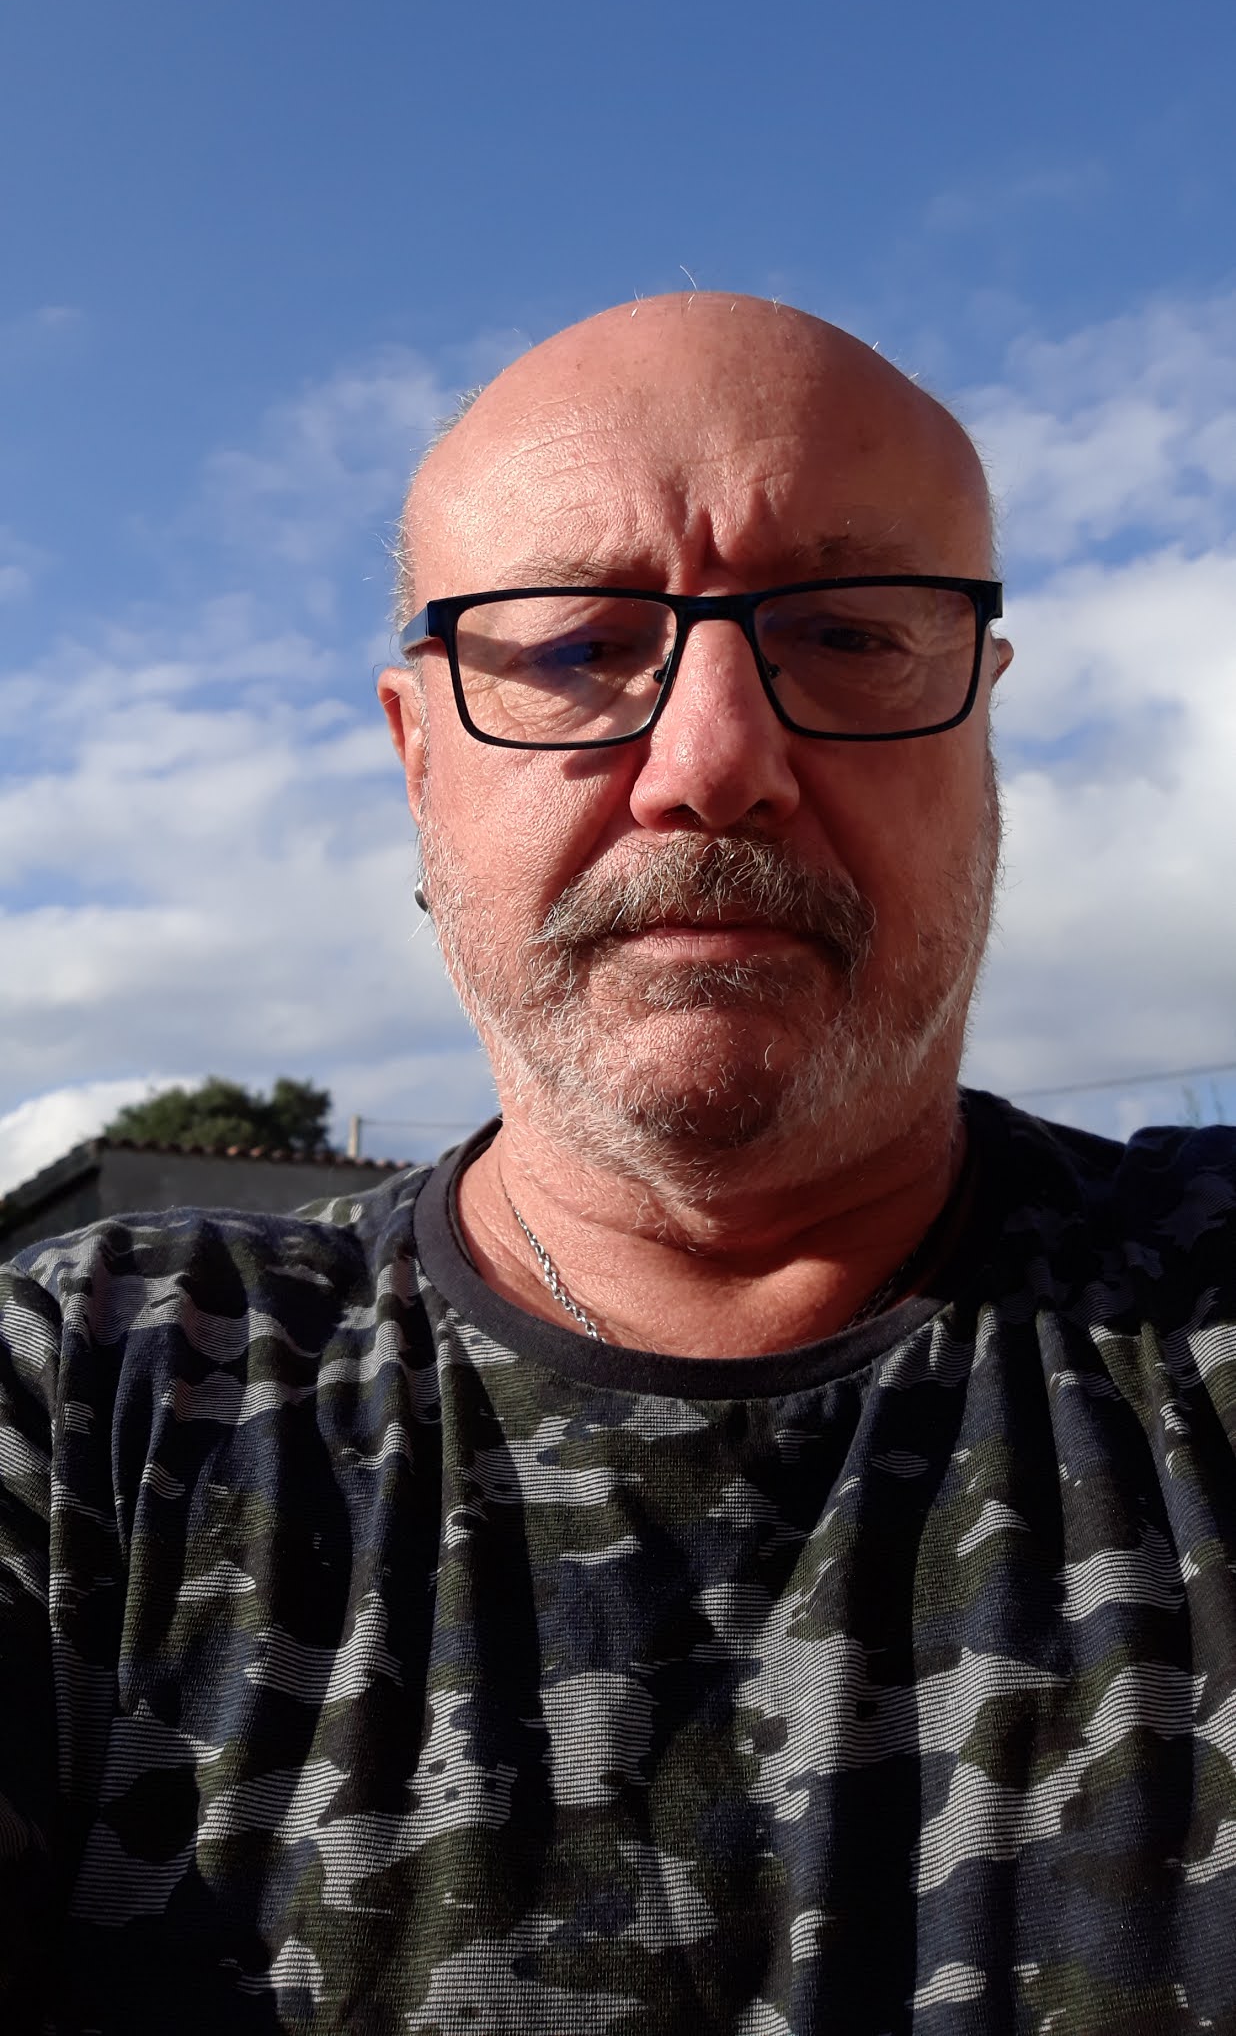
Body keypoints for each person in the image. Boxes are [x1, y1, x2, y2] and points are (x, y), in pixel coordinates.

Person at [1, 292, 1233, 2036]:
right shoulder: (86, 1411)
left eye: (850, 636)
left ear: (982, 729)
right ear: (418, 757)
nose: (715, 764)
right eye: (580, 646)